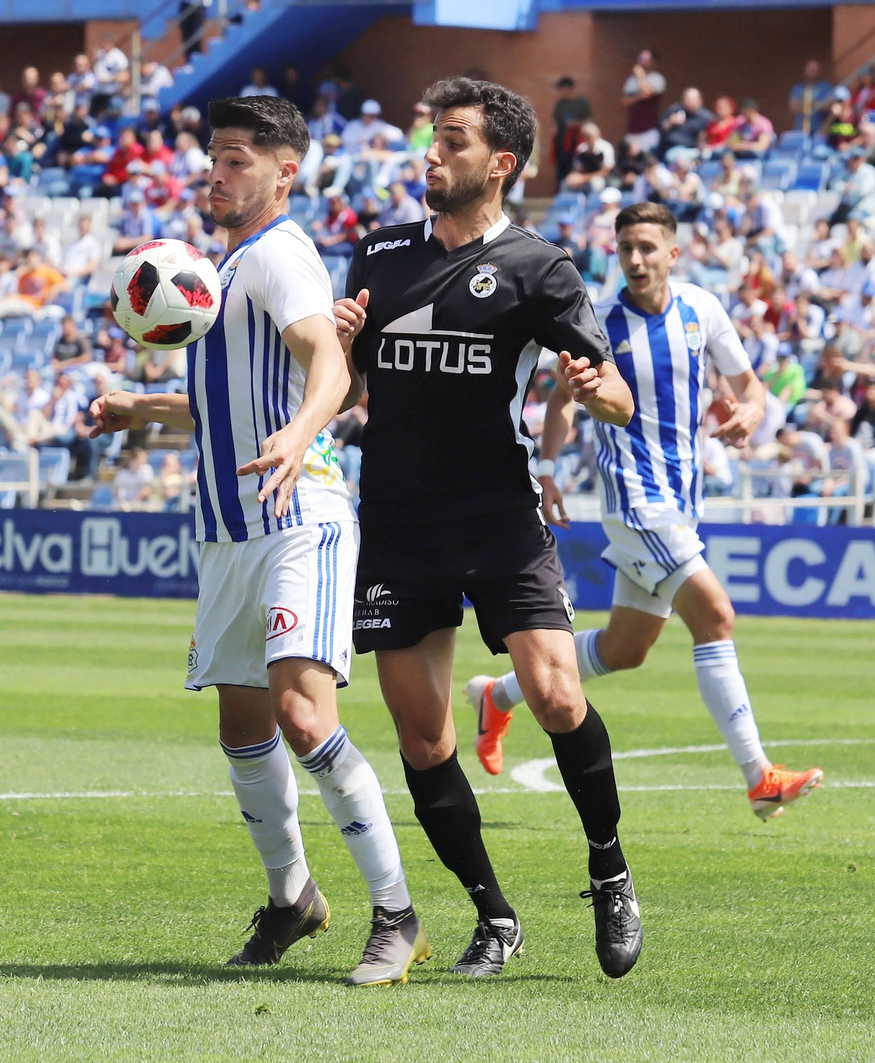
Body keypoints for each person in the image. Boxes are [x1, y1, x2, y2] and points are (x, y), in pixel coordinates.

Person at [89, 95, 422, 987]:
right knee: (243, 726)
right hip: (231, 528)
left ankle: (396, 911)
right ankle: (292, 899)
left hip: (299, 513)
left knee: (304, 714)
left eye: (237, 159)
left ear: (284, 172)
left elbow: (329, 363)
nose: (216, 172)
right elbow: (228, 402)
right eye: (214, 156)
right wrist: (140, 406)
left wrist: (301, 434)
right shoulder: (215, 272)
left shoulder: (280, 256)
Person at [336, 76, 641, 980]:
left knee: (554, 693)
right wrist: (344, 342)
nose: (432, 153)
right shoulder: (379, 255)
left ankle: (611, 867)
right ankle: (492, 915)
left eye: (453, 141)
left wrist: (594, 391)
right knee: (425, 740)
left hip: (499, 517)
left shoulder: (539, 267)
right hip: (396, 520)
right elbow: (345, 391)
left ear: (500, 163)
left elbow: (616, 393)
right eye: (432, 138)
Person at [476, 200, 825, 825]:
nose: (635, 259)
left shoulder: (702, 309)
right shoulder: (600, 320)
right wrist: (550, 471)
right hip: (635, 501)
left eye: (647, 247)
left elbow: (750, 388)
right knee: (715, 615)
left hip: (682, 501)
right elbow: (560, 399)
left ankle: (498, 695)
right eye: (626, 248)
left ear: (672, 252)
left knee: (625, 647)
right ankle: (760, 778)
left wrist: (749, 412)